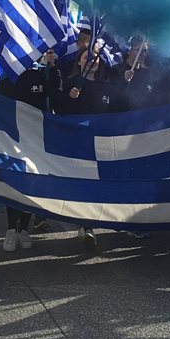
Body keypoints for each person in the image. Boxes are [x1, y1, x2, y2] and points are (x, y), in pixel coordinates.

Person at [0, 50, 62, 251]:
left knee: (30, 181)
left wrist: (53, 68)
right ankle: (10, 229)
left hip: (36, 138)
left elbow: (55, 98)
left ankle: (23, 229)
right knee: (14, 181)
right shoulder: (7, 78)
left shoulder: (41, 74)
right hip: (12, 139)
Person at [57, 46, 114, 246]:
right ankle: (86, 224)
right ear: (79, 61)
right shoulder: (72, 83)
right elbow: (60, 110)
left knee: (99, 182)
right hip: (79, 142)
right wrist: (68, 98)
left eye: (95, 58)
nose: (91, 60)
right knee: (83, 181)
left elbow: (118, 110)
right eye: (86, 57)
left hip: (102, 143)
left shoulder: (105, 85)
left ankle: (95, 220)